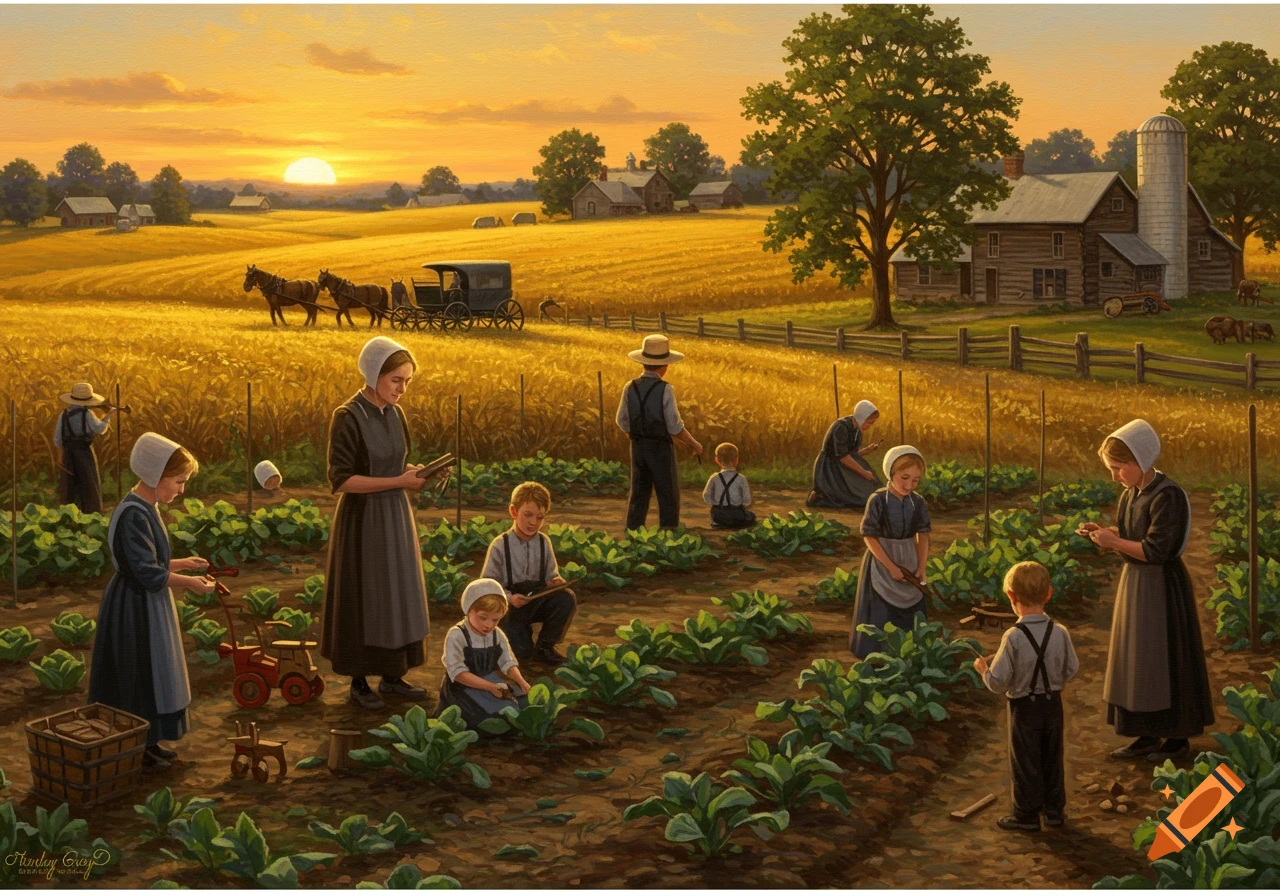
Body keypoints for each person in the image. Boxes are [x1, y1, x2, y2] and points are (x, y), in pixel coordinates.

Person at [320, 336, 450, 710]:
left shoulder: (396, 414)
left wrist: (420, 473)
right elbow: (342, 480)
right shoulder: (347, 417)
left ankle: (393, 675)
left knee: (398, 593)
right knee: (367, 596)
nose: (402, 388)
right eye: (396, 380)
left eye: (407, 381)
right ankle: (360, 682)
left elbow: (395, 465)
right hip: (362, 522)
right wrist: (399, 482)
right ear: (374, 373)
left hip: (394, 516)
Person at [1080, 419, 1214, 762]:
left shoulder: (1168, 496)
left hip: (1161, 588)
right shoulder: (1131, 494)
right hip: (1135, 584)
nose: (1115, 476)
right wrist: (1104, 534)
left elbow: (1156, 550)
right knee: (1137, 660)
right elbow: (1130, 535)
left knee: (1163, 658)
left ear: (1140, 460)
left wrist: (1114, 542)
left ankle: (1175, 737)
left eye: (1118, 468)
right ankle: (1145, 733)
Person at [88, 432, 215, 769]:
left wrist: (182, 563)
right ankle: (138, 746)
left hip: (146, 600)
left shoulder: (147, 507)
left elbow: (150, 563)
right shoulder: (133, 514)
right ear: (156, 475)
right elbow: (145, 572)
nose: (181, 489)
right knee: (141, 673)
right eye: (178, 481)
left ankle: (150, 742)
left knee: (155, 671)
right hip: (134, 607)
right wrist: (189, 582)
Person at [975, 561, 1080, 832]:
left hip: (1024, 708)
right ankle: (1054, 812)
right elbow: (1072, 669)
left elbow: (998, 683)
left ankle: (1027, 815)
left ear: (1011, 596)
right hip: (1052, 703)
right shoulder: (1060, 631)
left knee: (1025, 761)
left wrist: (983, 669)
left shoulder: (1013, 637)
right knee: (1052, 758)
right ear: (1049, 594)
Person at [480, 481, 577, 664]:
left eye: (540, 517)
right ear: (513, 512)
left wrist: (555, 581)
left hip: (535, 600)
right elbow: (488, 586)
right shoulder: (500, 545)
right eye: (528, 515)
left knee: (565, 598)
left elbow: (550, 575)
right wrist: (510, 598)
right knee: (523, 654)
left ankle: (545, 646)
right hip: (510, 608)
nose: (533, 522)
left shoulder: (544, 542)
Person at [849, 446, 931, 659]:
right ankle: (877, 656)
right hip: (882, 558)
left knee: (912, 605)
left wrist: (921, 566)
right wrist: (891, 567)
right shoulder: (878, 499)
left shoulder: (918, 502)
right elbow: (869, 536)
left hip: (909, 556)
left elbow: (923, 535)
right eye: (904, 477)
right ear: (891, 473)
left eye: (915, 480)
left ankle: (910, 654)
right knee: (882, 609)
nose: (909, 485)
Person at [615, 334, 703, 531]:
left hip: (637, 446)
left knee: (638, 492)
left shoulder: (629, 387)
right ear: (665, 366)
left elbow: (621, 420)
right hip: (660, 447)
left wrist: (636, 432)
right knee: (667, 492)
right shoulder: (665, 389)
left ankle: (634, 533)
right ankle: (668, 534)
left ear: (643, 363)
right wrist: (694, 444)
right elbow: (674, 426)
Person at [435, 578, 532, 730]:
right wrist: (490, 687)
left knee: (526, 703)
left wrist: (521, 682)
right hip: (464, 687)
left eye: (495, 620)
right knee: (503, 715)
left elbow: (507, 661)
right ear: (469, 610)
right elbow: (458, 673)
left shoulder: (497, 634)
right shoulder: (457, 635)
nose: (489, 625)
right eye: (483, 618)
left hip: (491, 681)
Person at [53, 382, 118, 514]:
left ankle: (69, 514)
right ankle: (91, 512)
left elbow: (57, 439)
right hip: (84, 452)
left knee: (70, 484)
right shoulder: (87, 414)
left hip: (68, 454)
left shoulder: (63, 415)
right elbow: (99, 429)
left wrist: (59, 457)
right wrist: (109, 415)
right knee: (88, 481)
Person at [807, 400, 882, 511]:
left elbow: (852, 454)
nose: (870, 426)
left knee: (873, 489)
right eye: (869, 422)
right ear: (861, 417)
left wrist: (867, 450)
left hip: (845, 464)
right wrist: (864, 473)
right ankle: (820, 497)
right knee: (859, 497)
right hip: (831, 468)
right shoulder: (840, 427)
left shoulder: (857, 430)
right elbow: (842, 457)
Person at [702, 442, 755, 530]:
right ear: (736, 460)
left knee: (720, 517)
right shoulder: (741, 478)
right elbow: (747, 501)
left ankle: (718, 524)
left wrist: (717, 502)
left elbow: (706, 497)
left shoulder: (714, 477)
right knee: (751, 516)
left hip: (718, 515)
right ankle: (736, 525)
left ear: (717, 460)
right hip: (736, 515)